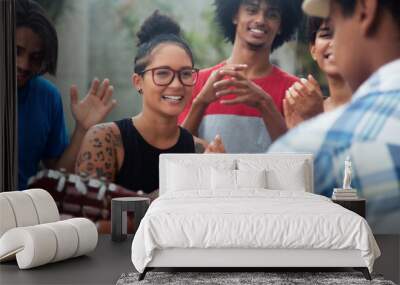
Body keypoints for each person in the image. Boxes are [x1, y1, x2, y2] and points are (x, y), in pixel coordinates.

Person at [269, 0, 400, 233]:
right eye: (324, 33)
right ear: (312, 47)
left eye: (334, 24)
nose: (333, 42)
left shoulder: (314, 146)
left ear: (364, 9)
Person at [75, 11, 224, 195]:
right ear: (138, 82)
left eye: (185, 73)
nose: (176, 84)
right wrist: (190, 181)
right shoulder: (106, 140)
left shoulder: (200, 151)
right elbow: (90, 221)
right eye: (162, 73)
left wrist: (223, 177)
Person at [178, 0, 303, 153]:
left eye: (272, 14)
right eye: (251, 10)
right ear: (234, 15)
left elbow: (298, 157)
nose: (260, 20)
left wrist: (265, 103)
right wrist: (201, 102)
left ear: (281, 26)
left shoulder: (294, 91)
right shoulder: (198, 83)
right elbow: (176, 151)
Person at [16, 0, 116, 190]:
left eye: (35, 58)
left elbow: (58, 176)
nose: (24, 65)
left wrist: (82, 130)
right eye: (16, 52)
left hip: (23, 213)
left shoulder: (46, 96)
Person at [283, 17, 352, 128]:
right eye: (326, 35)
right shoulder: (304, 109)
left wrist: (316, 121)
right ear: (313, 50)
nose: (334, 43)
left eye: (345, 34)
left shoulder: (377, 106)